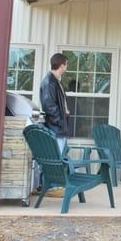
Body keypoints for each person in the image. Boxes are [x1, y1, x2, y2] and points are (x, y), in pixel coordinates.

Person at [39, 53, 70, 197]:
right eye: (66, 64)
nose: (67, 67)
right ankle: (52, 188)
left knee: (58, 157)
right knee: (55, 158)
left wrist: (65, 113)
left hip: (59, 127)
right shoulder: (50, 82)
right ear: (62, 65)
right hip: (55, 127)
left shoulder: (56, 81)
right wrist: (60, 120)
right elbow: (49, 106)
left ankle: (55, 186)